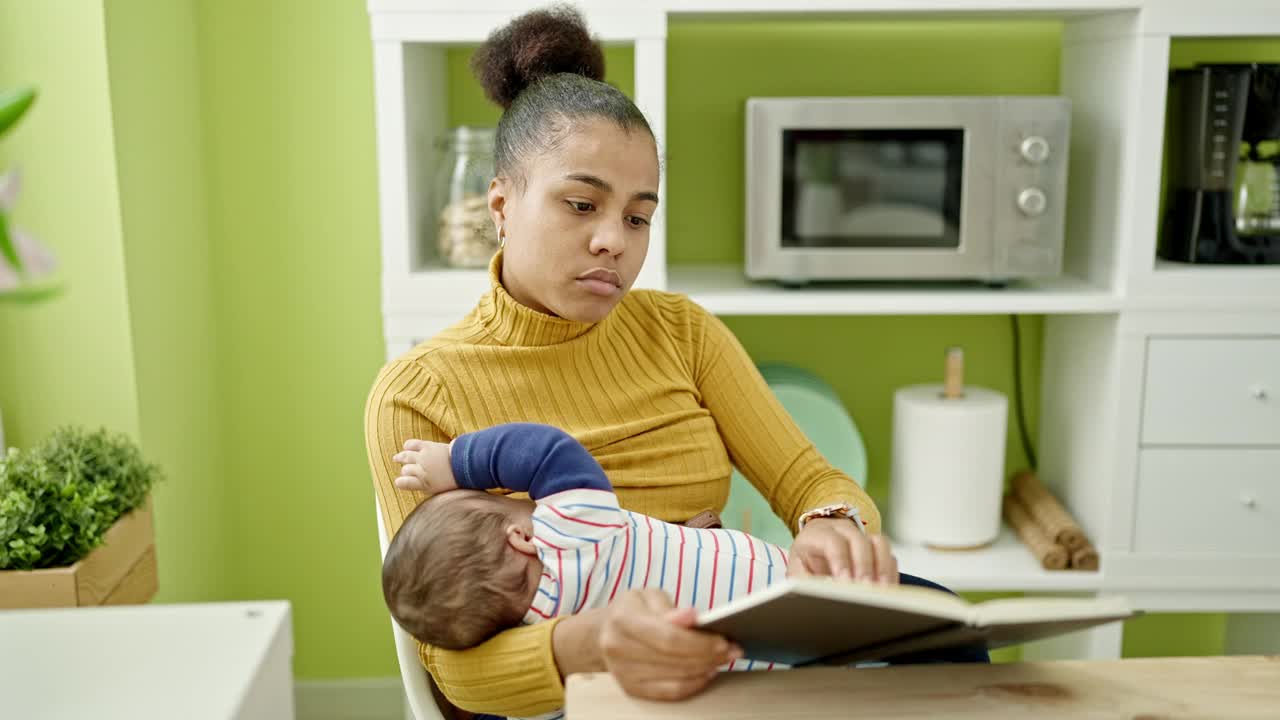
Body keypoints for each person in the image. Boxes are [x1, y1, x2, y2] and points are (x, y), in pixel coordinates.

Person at [364, 6, 976, 717]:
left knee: (941, 625)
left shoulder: (680, 330)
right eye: (581, 204)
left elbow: (809, 479)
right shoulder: (417, 394)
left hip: (733, 637)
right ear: (501, 203)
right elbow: (454, 675)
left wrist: (833, 524)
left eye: (636, 217)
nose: (612, 242)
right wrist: (593, 641)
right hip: (581, 692)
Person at [382, 421, 819, 664]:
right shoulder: (573, 532)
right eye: (502, 500)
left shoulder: (549, 635)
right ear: (521, 537)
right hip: (800, 588)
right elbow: (547, 451)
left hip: (765, 668)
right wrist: (458, 462)